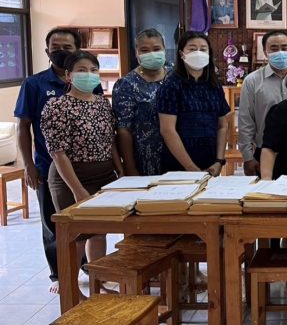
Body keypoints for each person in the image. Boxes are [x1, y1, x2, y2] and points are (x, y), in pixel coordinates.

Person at [14, 27, 100, 294]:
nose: (61, 52)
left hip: (90, 166)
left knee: (92, 225)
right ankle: (60, 275)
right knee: (56, 225)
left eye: (67, 47)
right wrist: (28, 165)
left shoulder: (89, 80)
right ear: (47, 50)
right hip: (48, 165)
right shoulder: (34, 84)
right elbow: (23, 126)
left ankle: (87, 269)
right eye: (56, 47)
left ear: (77, 50)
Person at [40, 50, 123, 289]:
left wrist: (120, 172)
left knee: (98, 231)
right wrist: (77, 190)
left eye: (93, 70)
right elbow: (58, 153)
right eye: (82, 70)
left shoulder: (102, 104)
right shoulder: (57, 106)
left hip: (104, 175)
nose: (89, 74)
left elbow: (111, 142)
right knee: (76, 235)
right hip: (70, 178)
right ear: (68, 75)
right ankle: (70, 290)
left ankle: (98, 282)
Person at [156, 32, 229, 176]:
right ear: (182, 53)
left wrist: (219, 161)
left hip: (210, 164)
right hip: (178, 166)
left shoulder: (214, 85)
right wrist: (191, 168)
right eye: (192, 49)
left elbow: (222, 126)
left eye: (203, 49)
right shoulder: (171, 85)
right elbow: (167, 130)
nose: (198, 53)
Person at [112, 29, 171, 176]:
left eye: (156, 49)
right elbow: (123, 130)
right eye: (144, 50)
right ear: (136, 53)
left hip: (179, 154)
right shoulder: (126, 84)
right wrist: (130, 167)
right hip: (145, 158)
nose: (151, 53)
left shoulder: (175, 77)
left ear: (164, 49)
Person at [238, 31, 287, 176]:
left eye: (285, 48)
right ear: (265, 52)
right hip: (264, 152)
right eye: (274, 49)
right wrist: (248, 157)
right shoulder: (252, 81)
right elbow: (246, 121)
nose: (280, 52)